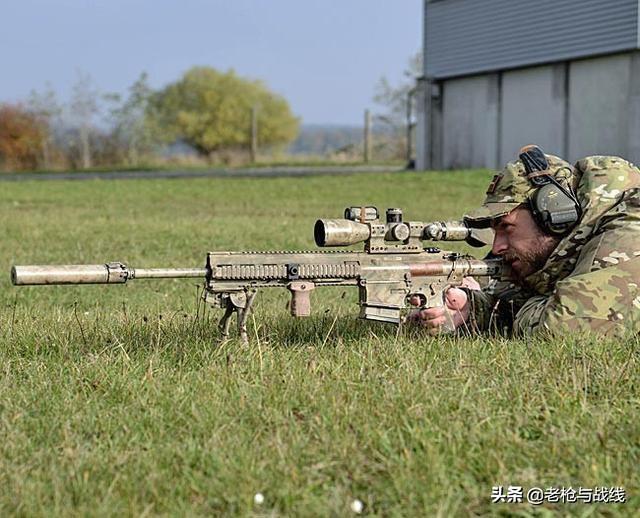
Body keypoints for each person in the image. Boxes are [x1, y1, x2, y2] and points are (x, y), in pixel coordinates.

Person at [413, 145, 640, 336]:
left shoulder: (630, 228)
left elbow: (562, 328)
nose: (497, 247)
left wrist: (520, 309)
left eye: (507, 227)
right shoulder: (566, 245)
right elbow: (518, 296)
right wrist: (470, 307)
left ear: (554, 213)